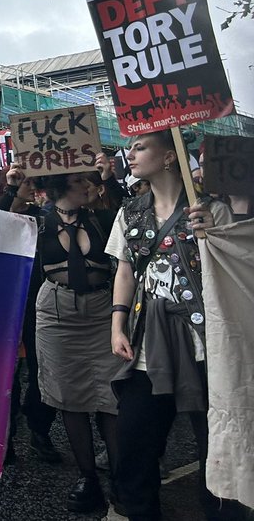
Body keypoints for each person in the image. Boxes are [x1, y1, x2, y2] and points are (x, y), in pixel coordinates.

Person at [107, 131, 233, 521]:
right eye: (131, 147)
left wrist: (215, 235)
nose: (130, 153)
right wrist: (117, 325)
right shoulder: (130, 211)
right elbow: (125, 270)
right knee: (134, 445)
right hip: (148, 344)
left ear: (167, 157)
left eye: (140, 146)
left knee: (219, 447)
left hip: (208, 345)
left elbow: (237, 272)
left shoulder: (213, 210)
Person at [33, 171, 123, 513]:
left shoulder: (103, 217)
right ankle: (88, 478)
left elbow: (134, 220)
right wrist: (11, 187)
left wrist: (111, 181)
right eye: (79, 182)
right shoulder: (38, 223)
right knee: (70, 397)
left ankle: (119, 476)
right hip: (57, 314)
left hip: (103, 312)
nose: (89, 186)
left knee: (110, 397)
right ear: (58, 187)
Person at [0, 166, 62, 465]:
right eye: (24, 183)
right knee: (4, 373)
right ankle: (4, 438)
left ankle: (38, 430)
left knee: (42, 371)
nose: (28, 187)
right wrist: (11, 191)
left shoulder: (45, 217)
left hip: (40, 303)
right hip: (6, 302)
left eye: (34, 183)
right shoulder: (4, 213)